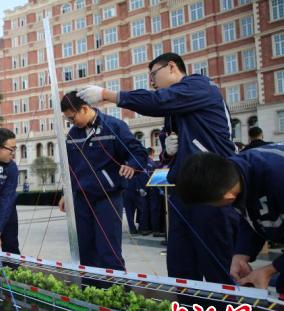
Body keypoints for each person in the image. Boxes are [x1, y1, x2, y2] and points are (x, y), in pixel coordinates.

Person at [78, 52, 239, 283]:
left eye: (154, 75)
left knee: (216, 265)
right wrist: (168, 151)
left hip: (212, 188)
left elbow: (157, 101)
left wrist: (107, 94)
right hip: (182, 190)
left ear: (172, 67)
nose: (153, 83)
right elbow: (166, 140)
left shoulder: (200, 87)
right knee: (180, 264)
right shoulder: (174, 108)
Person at [175, 143, 284, 292]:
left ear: (227, 197)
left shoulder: (278, 176)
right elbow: (252, 215)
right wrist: (242, 253)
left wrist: (269, 270)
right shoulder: (235, 175)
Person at [59, 91, 147, 270]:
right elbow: (69, 169)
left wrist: (131, 165)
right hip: (82, 200)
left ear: (84, 109)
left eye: (72, 117)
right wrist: (66, 193)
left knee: (109, 251)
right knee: (85, 250)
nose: (71, 122)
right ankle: (91, 292)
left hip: (107, 198)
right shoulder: (73, 135)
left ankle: (117, 293)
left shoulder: (114, 126)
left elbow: (138, 152)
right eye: (67, 120)